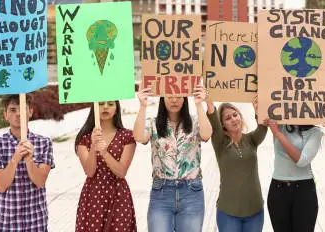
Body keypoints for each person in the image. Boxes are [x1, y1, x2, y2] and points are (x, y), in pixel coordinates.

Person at [134, 84, 212, 232]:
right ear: (163, 99)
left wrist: (199, 105)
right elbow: (138, 136)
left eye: (178, 96)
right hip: (162, 192)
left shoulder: (195, 122)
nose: (174, 100)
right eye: (170, 96)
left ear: (185, 99)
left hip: (191, 192)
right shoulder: (153, 123)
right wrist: (142, 106)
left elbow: (207, 134)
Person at [0, 94, 54, 232]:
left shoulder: (44, 143)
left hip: (36, 223)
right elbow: (1, 185)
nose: (18, 114)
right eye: (12, 110)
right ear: (5, 115)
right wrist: (15, 158)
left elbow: (40, 181)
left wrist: (29, 159)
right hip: (4, 224)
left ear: (30, 112)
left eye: (22, 109)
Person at [206, 96, 268, 232]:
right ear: (223, 125)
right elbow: (213, 121)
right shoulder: (220, 143)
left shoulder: (251, 139)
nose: (233, 119)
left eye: (235, 115)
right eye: (228, 118)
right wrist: (209, 102)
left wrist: (258, 110)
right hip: (228, 213)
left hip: (255, 211)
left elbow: (263, 128)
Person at [75, 101, 137, 231]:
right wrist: (93, 146)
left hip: (119, 195)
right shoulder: (84, 139)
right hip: (93, 196)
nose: (105, 107)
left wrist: (104, 152)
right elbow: (89, 172)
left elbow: (121, 172)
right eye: (101, 104)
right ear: (94, 108)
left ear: (117, 108)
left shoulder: (127, 137)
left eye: (110, 104)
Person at [264, 113, 323, 231]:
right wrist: (257, 106)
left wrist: (278, 134)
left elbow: (302, 160)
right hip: (278, 189)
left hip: (303, 191)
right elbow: (262, 116)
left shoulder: (315, 132)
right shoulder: (281, 125)